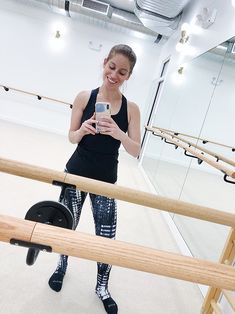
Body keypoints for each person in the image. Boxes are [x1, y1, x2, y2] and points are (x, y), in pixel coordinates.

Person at [48, 44, 141, 314]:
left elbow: (135, 150)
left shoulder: (131, 108)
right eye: (112, 67)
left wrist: (119, 134)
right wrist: (83, 130)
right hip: (75, 172)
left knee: (106, 238)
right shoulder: (83, 97)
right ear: (104, 63)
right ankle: (60, 267)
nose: (114, 75)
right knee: (67, 226)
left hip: (105, 181)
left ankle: (102, 287)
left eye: (122, 72)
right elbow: (71, 136)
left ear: (128, 76)